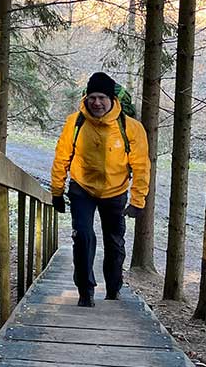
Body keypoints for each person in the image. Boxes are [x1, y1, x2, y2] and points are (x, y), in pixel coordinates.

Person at [50, 72, 150, 307]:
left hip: (115, 191)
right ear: (86, 98)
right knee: (83, 236)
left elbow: (141, 166)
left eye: (102, 97)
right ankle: (85, 291)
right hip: (81, 188)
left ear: (112, 99)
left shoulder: (131, 128)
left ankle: (113, 288)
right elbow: (61, 157)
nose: (96, 102)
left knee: (114, 242)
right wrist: (57, 191)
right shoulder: (75, 122)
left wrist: (138, 200)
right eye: (92, 97)